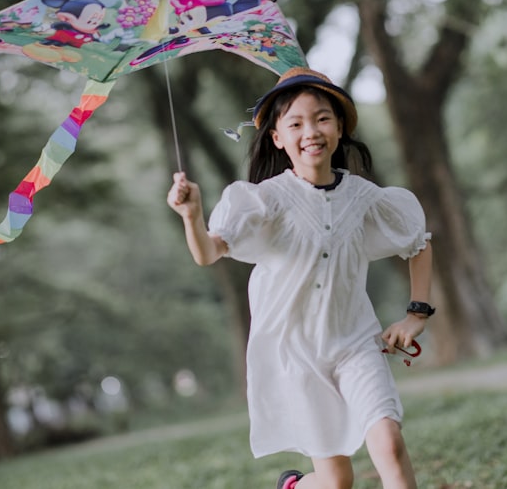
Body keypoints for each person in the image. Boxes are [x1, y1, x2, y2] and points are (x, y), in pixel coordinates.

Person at [166, 67, 434, 489]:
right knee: (336, 483)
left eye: (322, 118)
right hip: (297, 356)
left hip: (355, 344)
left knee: (390, 447)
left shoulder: (364, 197)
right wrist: (192, 215)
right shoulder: (266, 200)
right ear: (277, 137)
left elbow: (418, 244)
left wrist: (416, 314)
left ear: (340, 127)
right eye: (295, 123)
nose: (311, 130)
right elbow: (208, 252)